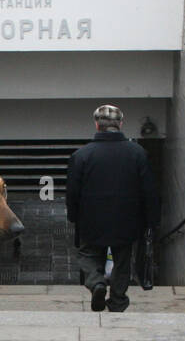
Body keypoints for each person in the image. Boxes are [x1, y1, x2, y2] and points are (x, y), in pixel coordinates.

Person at [66, 104, 159, 313]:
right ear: (121, 124)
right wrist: (151, 221)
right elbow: (149, 191)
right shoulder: (138, 153)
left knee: (87, 255)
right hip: (127, 219)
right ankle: (117, 301)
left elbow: (72, 192)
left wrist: (73, 216)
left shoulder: (81, 156)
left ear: (97, 125)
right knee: (122, 261)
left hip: (92, 219)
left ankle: (97, 282)